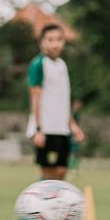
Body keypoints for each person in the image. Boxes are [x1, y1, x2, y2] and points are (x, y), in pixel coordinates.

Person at [26, 24, 84, 180]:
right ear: (42, 42)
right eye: (50, 40)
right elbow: (35, 98)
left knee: (61, 172)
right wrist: (38, 129)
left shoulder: (62, 65)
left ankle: (56, 204)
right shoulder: (38, 65)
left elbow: (62, 101)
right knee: (48, 174)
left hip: (62, 128)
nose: (55, 44)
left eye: (59, 39)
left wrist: (72, 125)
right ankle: (39, 204)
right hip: (46, 128)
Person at [68, 98, 84, 173]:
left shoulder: (77, 114)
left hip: (75, 136)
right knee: (70, 153)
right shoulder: (70, 113)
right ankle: (70, 168)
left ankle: (74, 168)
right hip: (70, 136)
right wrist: (73, 135)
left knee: (76, 153)